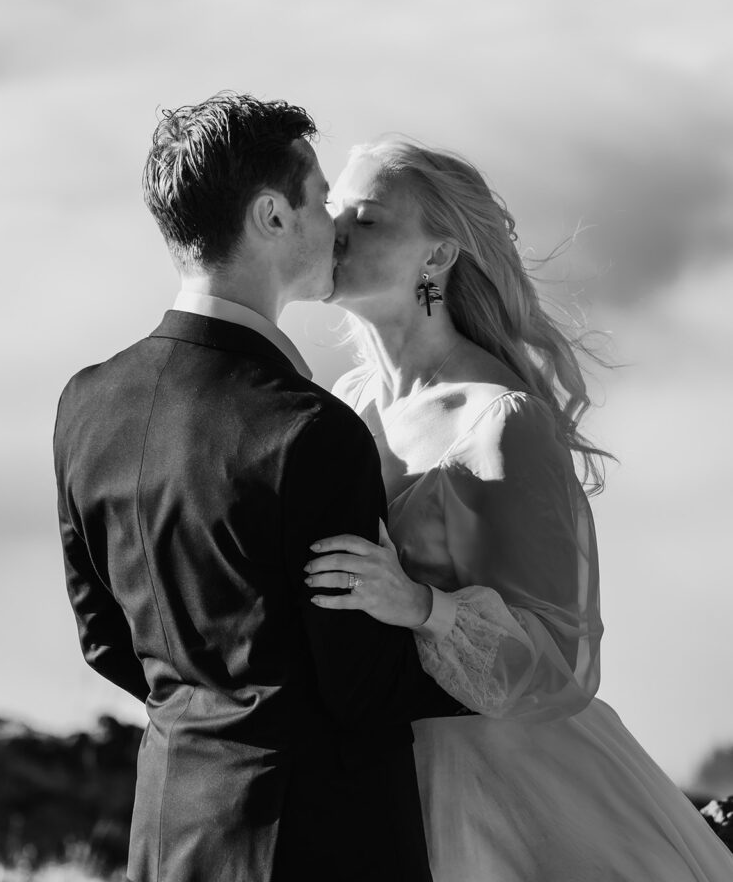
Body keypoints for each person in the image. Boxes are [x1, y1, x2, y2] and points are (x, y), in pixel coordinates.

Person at [52, 97, 468, 882]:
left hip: (166, 826)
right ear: (272, 216)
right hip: (316, 839)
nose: (333, 225)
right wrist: (499, 657)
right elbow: (360, 687)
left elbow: (106, 640)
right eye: (318, 200)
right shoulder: (307, 431)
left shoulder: (87, 400)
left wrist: (208, 712)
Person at [304, 136, 733, 880]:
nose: (335, 232)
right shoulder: (345, 403)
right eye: (334, 211)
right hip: (382, 774)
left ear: (437, 258)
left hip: (515, 799)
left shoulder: (499, 419)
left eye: (368, 220)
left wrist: (418, 606)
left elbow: (558, 665)